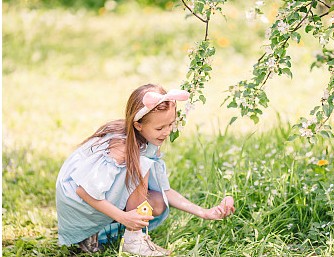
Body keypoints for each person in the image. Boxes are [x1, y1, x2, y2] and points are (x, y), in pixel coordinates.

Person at [56, 84, 235, 256]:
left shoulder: (148, 141)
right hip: (77, 199)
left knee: (157, 202)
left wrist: (204, 212)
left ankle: (95, 234)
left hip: (94, 194)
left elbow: (165, 191)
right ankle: (133, 241)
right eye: (160, 128)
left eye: (170, 124)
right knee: (142, 165)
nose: (166, 132)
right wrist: (123, 217)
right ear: (138, 125)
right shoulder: (121, 148)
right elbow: (84, 191)